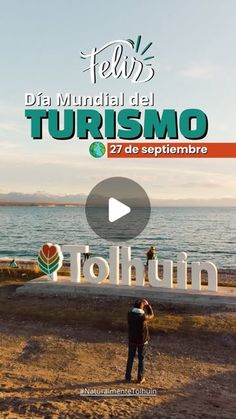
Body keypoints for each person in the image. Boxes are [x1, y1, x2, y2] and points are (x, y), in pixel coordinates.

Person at [125, 298, 154, 384]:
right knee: (141, 358)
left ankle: (127, 377)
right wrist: (148, 306)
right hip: (142, 340)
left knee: (130, 358)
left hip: (132, 340)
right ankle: (140, 378)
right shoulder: (143, 317)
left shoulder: (129, 315)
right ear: (142, 308)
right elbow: (151, 315)